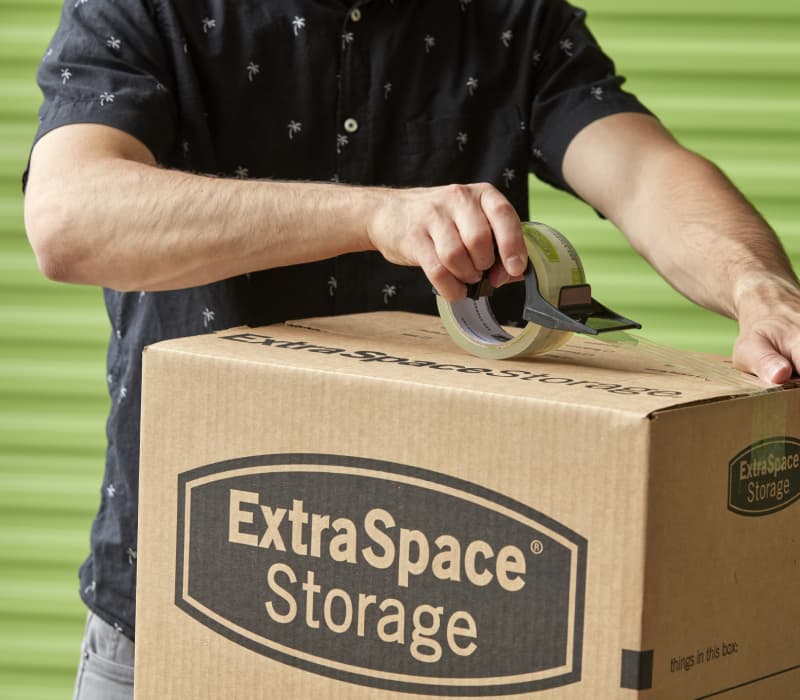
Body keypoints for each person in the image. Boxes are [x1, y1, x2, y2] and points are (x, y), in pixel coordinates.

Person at [22, 1, 799, 698]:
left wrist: (756, 285)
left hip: (435, 612)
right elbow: (69, 217)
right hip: (181, 604)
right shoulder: (144, 11)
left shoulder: (509, 20)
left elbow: (640, 172)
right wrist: (373, 218)